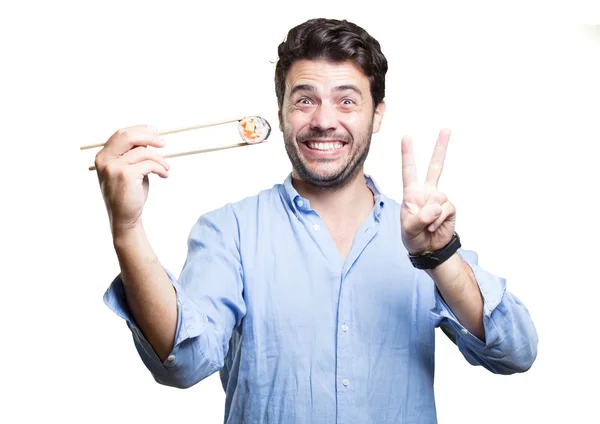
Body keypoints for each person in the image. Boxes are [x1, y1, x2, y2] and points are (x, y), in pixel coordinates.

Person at [96, 17, 538, 424]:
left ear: (377, 114)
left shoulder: (421, 235)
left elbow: (514, 352)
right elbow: (184, 364)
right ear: (283, 111)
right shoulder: (228, 230)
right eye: (305, 100)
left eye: (347, 100)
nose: (324, 121)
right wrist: (127, 228)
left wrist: (438, 256)